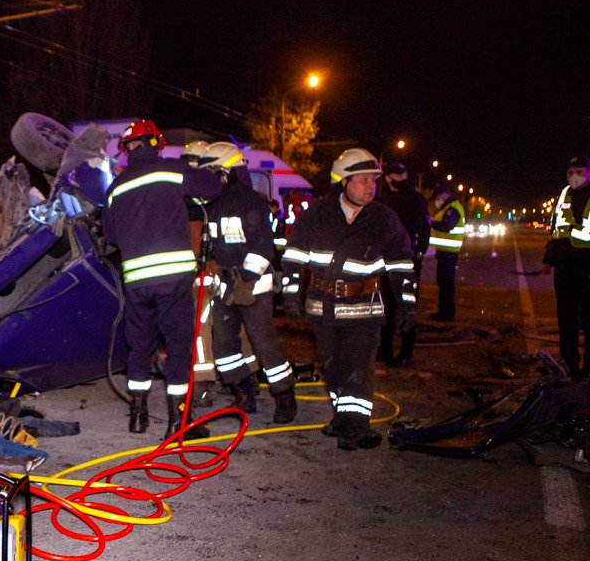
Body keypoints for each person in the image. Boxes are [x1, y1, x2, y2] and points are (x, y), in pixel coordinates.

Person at [281, 149, 416, 450]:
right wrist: (290, 295)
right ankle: (342, 419)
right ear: (343, 182)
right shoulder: (316, 214)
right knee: (334, 367)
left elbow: (401, 264)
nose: (371, 186)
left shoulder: (384, 219)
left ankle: (355, 427)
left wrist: (407, 303)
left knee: (359, 366)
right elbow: (293, 257)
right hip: (323, 307)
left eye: (374, 180)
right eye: (363, 179)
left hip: (363, 308)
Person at [101, 119, 222, 436]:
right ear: (156, 143)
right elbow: (213, 188)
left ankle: (138, 417)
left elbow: (111, 235)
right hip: (173, 280)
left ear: (127, 150)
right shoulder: (171, 170)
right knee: (178, 346)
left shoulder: (116, 188)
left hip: (137, 284)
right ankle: (179, 422)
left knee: (138, 346)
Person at [198, 142, 297, 423]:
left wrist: (247, 278)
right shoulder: (211, 206)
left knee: (264, 344)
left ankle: (285, 397)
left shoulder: (250, 202)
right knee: (224, 346)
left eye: (209, 173)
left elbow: (264, 247)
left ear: (225, 173)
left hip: (253, 287)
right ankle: (243, 393)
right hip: (225, 286)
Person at [377, 162, 431, 365]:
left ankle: (388, 351)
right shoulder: (417, 199)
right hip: (407, 261)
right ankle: (405, 353)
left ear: (389, 178)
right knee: (405, 306)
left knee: (389, 308)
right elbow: (425, 229)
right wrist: (418, 253)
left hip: (391, 260)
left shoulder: (386, 201)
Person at [542, 156, 590, 376]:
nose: (574, 177)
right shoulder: (564, 194)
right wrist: (548, 260)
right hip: (565, 267)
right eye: (570, 172)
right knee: (566, 318)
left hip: (586, 267)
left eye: (578, 171)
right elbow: (557, 230)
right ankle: (569, 363)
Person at [428, 183, 465, 321]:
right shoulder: (449, 208)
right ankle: (443, 311)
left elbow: (447, 226)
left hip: (449, 253)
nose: (437, 201)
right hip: (444, 252)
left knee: (446, 283)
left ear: (444, 195)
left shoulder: (453, 208)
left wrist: (429, 222)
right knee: (443, 282)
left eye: (437, 197)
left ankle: (446, 314)